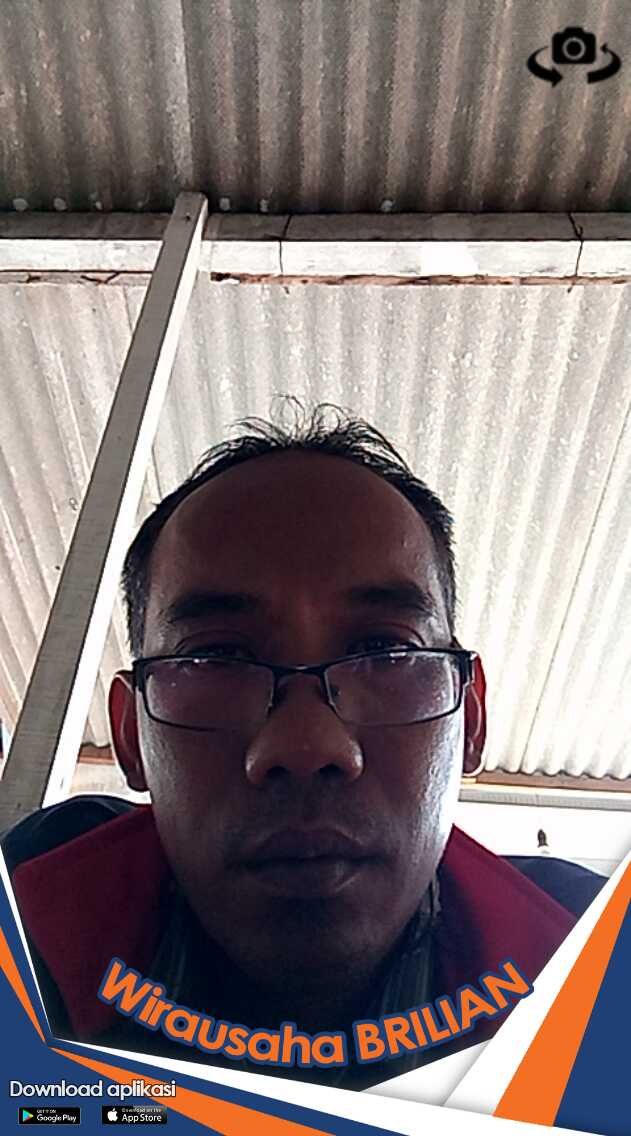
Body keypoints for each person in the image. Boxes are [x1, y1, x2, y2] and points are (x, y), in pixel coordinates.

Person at [3, 403, 604, 1089]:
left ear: (468, 719)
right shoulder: (27, 905)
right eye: (217, 657)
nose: (305, 743)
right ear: (131, 734)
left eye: (385, 650)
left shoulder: (590, 958)